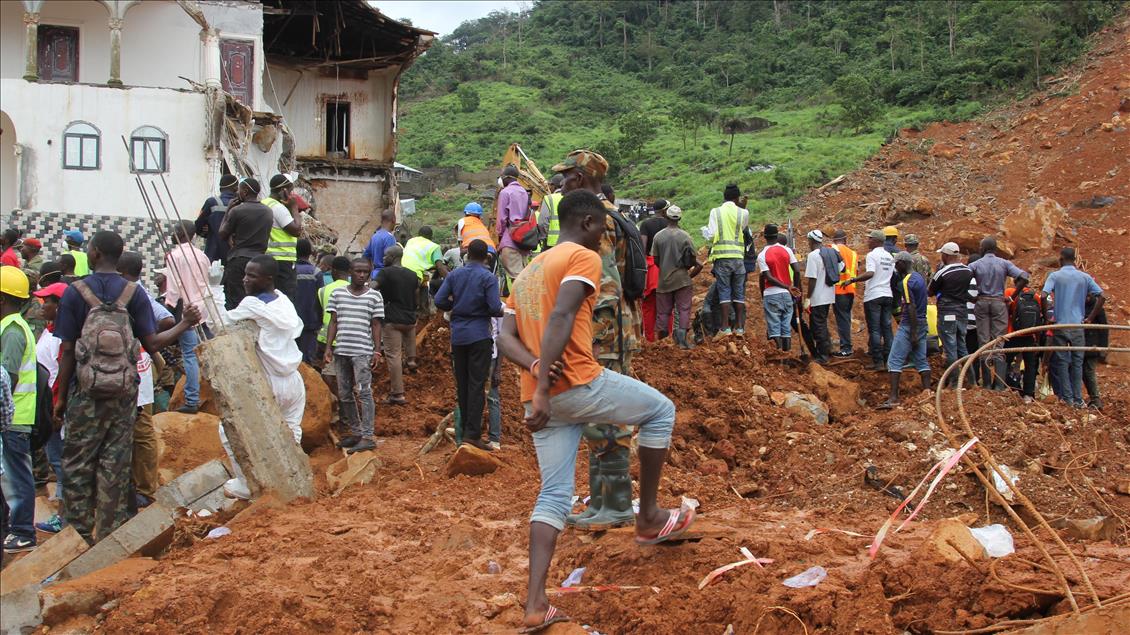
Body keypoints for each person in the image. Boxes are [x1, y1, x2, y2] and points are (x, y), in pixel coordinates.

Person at [496, 190, 693, 632]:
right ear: (587, 222)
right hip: (576, 383)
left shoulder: (528, 271)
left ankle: (536, 603)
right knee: (661, 411)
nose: (604, 236)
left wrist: (534, 374)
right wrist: (547, 382)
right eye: (602, 228)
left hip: (540, 397)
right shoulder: (581, 259)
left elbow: (503, 336)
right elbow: (563, 316)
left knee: (553, 496)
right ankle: (649, 518)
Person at [53, 231, 200, 544]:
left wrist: (61, 398)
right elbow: (152, 342)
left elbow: (66, 350)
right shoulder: (134, 293)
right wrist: (184, 324)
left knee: (78, 462)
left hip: (85, 393)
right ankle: (111, 536)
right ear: (118, 257)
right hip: (124, 394)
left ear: (93, 254)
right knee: (116, 462)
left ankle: (76, 535)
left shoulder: (74, 292)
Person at [551, 150, 642, 532]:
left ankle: (617, 504)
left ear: (583, 178)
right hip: (605, 329)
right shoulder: (598, 215)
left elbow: (601, 286)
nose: (562, 182)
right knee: (595, 415)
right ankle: (599, 503)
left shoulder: (597, 221)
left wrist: (576, 329)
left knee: (608, 416)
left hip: (604, 331)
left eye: (568, 176)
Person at [223, 255, 306, 498]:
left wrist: (214, 291)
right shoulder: (283, 300)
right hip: (294, 380)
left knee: (228, 428)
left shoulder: (252, 304)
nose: (245, 279)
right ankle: (295, 477)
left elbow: (222, 322)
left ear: (268, 278)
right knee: (291, 429)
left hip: (269, 380)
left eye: (251, 275)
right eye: (246, 273)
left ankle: (245, 483)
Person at [116, 251, 174, 508]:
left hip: (138, 368)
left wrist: (143, 335)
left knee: (141, 429)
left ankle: (146, 490)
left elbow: (167, 319)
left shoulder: (136, 294)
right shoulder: (127, 292)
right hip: (126, 368)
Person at [434, 239, 503, 452]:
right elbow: (493, 307)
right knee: (476, 385)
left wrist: (456, 305)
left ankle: (465, 432)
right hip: (479, 336)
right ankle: (473, 435)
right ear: (487, 257)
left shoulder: (455, 275)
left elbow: (439, 300)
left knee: (462, 385)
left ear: (467, 255)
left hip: (459, 337)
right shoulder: (488, 277)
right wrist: (498, 311)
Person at [323, 258, 383, 454]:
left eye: (365, 272)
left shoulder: (374, 297)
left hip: (362, 352)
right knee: (345, 393)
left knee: (364, 392)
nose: (362, 275)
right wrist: (328, 347)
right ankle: (356, 432)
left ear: (370, 272)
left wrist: (376, 350)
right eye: (358, 271)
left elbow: (376, 324)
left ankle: (367, 436)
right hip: (341, 350)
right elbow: (334, 321)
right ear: (350, 271)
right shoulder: (338, 294)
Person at [1, 267, 38, 552]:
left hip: (14, 417)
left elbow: (9, 377)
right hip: (13, 415)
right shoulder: (11, 325)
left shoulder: (12, 331)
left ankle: (23, 531)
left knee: (16, 475)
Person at [1040, 248, 1104, 408]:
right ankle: (1078, 399)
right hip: (1077, 325)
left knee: (1062, 362)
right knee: (1077, 362)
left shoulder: (1054, 276)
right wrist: (1089, 318)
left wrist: (1047, 318)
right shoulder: (1085, 277)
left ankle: (1067, 399)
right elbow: (1102, 296)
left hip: (1060, 324)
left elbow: (1043, 295)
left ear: (1061, 259)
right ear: (1075, 259)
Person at [164, 220, 214, 415]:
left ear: (180, 233)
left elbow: (174, 288)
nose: (171, 233)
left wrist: (168, 306)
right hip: (204, 308)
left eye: (174, 230)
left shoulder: (174, 256)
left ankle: (192, 400)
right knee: (206, 353)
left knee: (190, 355)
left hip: (186, 310)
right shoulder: (202, 256)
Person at [969, 237, 1029, 390]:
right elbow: (1024, 277)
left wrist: (971, 297)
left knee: (984, 342)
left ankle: (987, 384)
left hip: (981, 302)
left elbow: (963, 278)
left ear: (983, 248)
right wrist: (1011, 297)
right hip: (999, 303)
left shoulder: (975, 264)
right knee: (999, 341)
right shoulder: (1004, 263)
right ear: (995, 249)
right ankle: (999, 386)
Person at [32, 282, 67, 534]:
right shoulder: (50, 329)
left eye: (47, 302)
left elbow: (59, 374)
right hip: (47, 405)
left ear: (60, 305)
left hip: (54, 409)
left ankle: (64, 518)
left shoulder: (61, 336)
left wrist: (56, 408)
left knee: (61, 461)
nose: (42, 306)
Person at [880, 252, 930, 408]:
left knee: (894, 361)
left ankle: (894, 397)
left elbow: (910, 307)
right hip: (922, 322)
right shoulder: (919, 278)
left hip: (910, 325)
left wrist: (913, 333)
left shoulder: (907, 282)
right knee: (921, 359)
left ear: (902, 263)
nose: (895, 267)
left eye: (896, 264)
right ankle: (928, 392)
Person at [843, 230, 895, 371]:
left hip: (874, 296)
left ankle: (878, 362)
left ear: (877, 240)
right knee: (887, 329)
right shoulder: (889, 256)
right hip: (887, 294)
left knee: (875, 330)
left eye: (870, 239)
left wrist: (853, 279)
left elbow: (871, 273)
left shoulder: (872, 255)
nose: (868, 241)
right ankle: (890, 361)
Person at [218, 178, 273, 310]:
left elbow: (222, 234)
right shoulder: (268, 211)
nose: (237, 193)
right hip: (259, 260)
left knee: (236, 299)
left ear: (245, 191)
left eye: (239, 190)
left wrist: (228, 210)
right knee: (256, 298)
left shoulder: (237, 211)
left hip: (239, 260)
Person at [651, 205, 701, 348]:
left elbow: (655, 260)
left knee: (663, 312)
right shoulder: (686, 236)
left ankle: (663, 342)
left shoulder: (658, 236)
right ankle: (682, 342)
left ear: (666, 216)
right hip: (682, 280)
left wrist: (666, 268)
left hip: (664, 280)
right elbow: (693, 258)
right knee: (683, 309)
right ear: (679, 218)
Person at [929, 242, 978, 387]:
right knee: (962, 346)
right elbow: (971, 293)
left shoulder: (942, 273)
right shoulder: (968, 271)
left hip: (947, 312)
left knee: (950, 347)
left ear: (946, 255)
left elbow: (930, 291)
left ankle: (955, 382)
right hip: (962, 312)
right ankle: (972, 381)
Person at [705, 185, 750, 337]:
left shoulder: (715, 212)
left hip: (722, 258)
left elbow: (711, 235)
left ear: (724, 197)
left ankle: (725, 328)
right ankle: (739, 328)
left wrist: (704, 232)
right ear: (737, 198)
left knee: (724, 291)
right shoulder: (743, 213)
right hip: (738, 258)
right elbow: (742, 229)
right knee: (739, 293)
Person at [375, 246, 418, 405]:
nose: (383, 258)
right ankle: (412, 360)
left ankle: (397, 394)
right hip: (410, 319)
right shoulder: (412, 275)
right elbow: (416, 298)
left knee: (393, 356)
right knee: (407, 350)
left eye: (385, 255)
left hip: (392, 319)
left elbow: (372, 287)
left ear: (392, 257)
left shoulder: (385, 273)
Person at [757, 224, 801, 351]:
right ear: (777, 236)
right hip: (787, 296)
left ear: (764, 237)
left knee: (774, 328)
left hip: (771, 294)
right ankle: (786, 356)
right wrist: (794, 288)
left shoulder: (762, 255)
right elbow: (797, 271)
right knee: (786, 328)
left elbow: (768, 277)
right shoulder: (787, 250)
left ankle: (779, 357)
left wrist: (788, 287)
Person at [261, 174, 304, 302]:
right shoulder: (278, 208)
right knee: (286, 299)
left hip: (268, 258)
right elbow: (296, 230)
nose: (291, 194)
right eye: (290, 190)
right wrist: (294, 208)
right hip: (283, 260)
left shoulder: (264, 203)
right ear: (283, 190)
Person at [803, 230, 843, 364]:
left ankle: (823, 356)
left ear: (811, 241)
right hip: (829, 294)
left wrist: (808, 298)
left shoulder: (813, 256)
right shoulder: (831, 252)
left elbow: (812, 279)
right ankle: (827, 349)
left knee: (818, 325)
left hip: (818, 296)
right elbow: (842, 268)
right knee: (821, 323)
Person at [1004, 284, 1044, 402]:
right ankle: (1028, 394)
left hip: (1012, 334)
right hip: (1029, 335)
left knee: (1006, 362)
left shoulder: (1009, 292)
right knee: (1030, 365)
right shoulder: (1035, 296)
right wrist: (1037, 339)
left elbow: (1005, 313)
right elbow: (1038, 319)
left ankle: (1005, 387)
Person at [638, 199, 670, 343]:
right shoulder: (671, 224)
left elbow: (642, 248)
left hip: (651, 269)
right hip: (667, 268)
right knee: (666, 305)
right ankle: (667, 338)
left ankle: (649, 339)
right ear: (664, 211)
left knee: (648, 306)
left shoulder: (645, 224)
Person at [495, 164, 532, 282]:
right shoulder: (524, 192)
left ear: (506, 177)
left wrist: (500, 237)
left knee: (517, 279)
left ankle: (522, 300)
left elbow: (502, 219)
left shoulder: (505, 192)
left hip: (510, 240)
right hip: (525, 240)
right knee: (524, 275)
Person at [402, 226, 449, 317]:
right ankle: (421, 310)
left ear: (419, 235)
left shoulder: (411, 241)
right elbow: (440, 267)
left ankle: (423, 308)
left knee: (425, 279)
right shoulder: (434, 246)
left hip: (402, 271)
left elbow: (417, 260)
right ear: (431, 237)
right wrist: (452, 280)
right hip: (414, 276)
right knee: (423, 280)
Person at [196, 174, 238, 263]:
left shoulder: (212, 202)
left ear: (220, 189)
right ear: (236, 188)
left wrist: (206, 232)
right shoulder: (242, 205)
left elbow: (198, 226)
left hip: (213, 254)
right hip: (235, 255)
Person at [294, 239, 322, 364]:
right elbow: (320, 297)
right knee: (307, 357)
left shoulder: (289, 272)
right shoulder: (316, 272)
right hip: (311, 320)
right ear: (310, 252)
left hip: (292, 319)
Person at [831, 230, 858, 357]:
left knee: (842, 319)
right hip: (850, 289)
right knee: (846, 318)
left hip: (838, 289)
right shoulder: (853, 253)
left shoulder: (833, 249)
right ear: (845, 240)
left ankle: (846, 347)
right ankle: (846, 345)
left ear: (834, 240)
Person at [1082, 290, 1107, 409]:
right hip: (1082, 343)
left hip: (1093, 345)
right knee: (1082, 372)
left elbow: (1104, 329)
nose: (1087, 297)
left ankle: (1096, 399)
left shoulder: (1097, 308)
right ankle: (1092, 397)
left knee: (1089, 371)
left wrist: (1103, 348)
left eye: (1089, 295)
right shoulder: (1080, 306)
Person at [363, 210, 398, 280]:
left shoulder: (374, 236)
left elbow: (365, 256)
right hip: (386, 276)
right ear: (393, 221)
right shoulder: (389, 237)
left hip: (374, 275)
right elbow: (391, 259)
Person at [537, 173, 565, 250]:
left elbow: (542, 223)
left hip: (551, 243)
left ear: (554, 185)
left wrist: (544, 237)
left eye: (550, 185)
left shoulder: (549, 199)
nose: (549, 187)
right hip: (569, 242)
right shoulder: (572, 197)